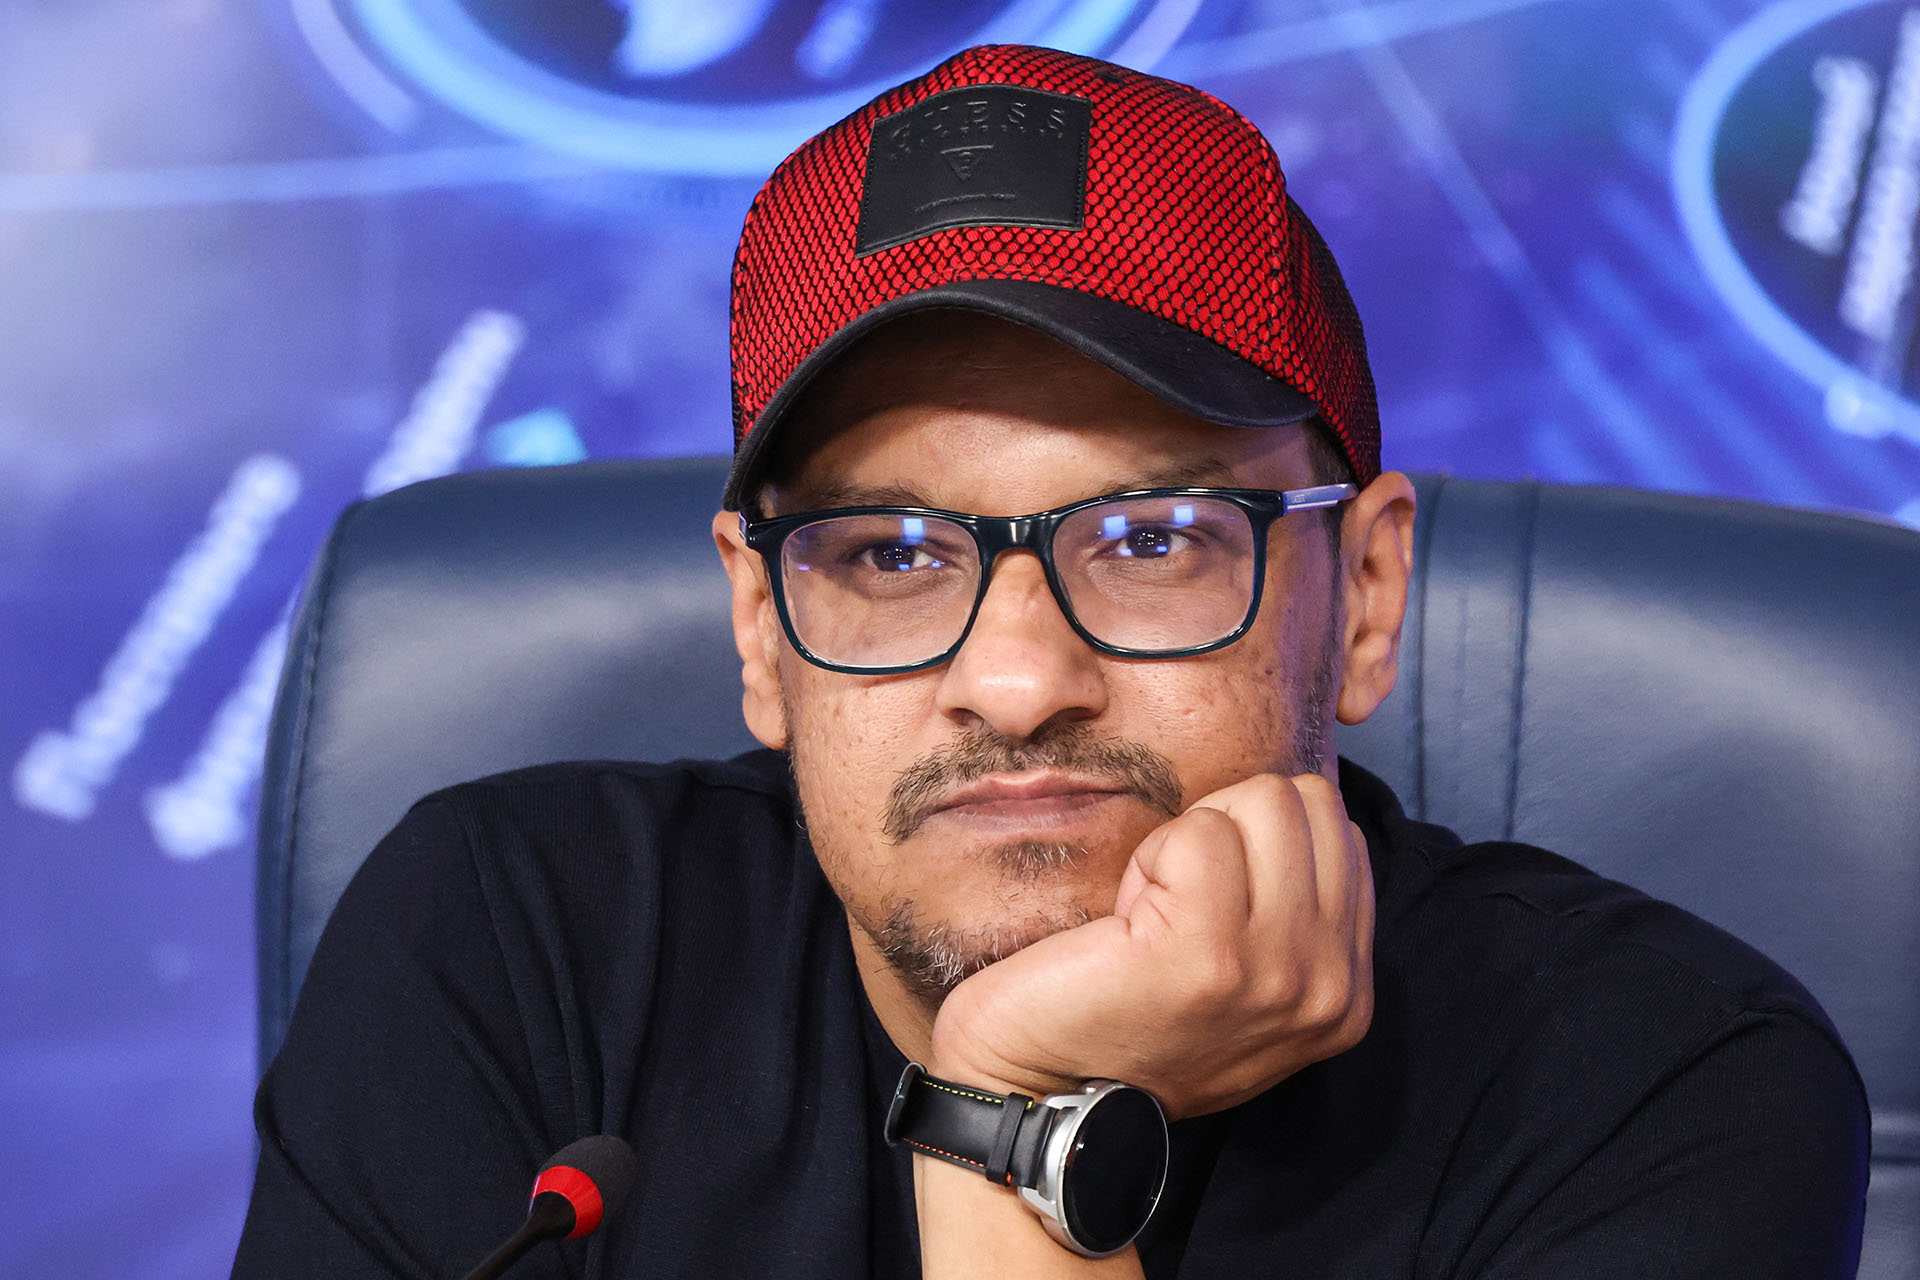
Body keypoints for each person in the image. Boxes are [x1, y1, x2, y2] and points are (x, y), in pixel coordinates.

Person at [232, 43, 1869, 1279]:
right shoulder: (510, 941)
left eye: (1152, 541)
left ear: (1366, 594)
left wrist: (1011, 1124)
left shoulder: (1664, 1083)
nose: (1017, 684)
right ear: (759, 628)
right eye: (891, 555)